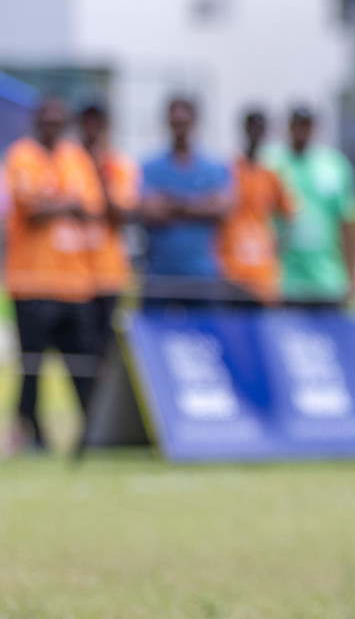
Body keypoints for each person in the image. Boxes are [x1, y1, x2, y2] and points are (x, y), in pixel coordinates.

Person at [3, 96, 103, 452]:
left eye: (57, 120)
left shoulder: (75, 158)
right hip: (31, 281)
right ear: (36, 121)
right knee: (32, 365)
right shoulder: (22, 156)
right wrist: (66, 204)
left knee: (84, 364)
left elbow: (92, 208)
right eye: (46, 119)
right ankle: (32, 435)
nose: (52, 126)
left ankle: (95, 435)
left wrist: (54, 203)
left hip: (75, 282)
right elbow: (32, 210)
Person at [139, 96, 233, 311]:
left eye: (184, 122)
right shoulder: (150, 166)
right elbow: (150, 211)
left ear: (195, 122)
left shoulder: (214, 167)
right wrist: (200, 203)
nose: (180, 128)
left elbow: (221, 210)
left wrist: (172, 203)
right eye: (175, 122)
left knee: (206, 338)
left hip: (202, 273)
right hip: (160, 273)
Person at [263, 105, 355, 310]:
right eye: (297, 125)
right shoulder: (271, 163)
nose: (301, 130)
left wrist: (353, 277)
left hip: (326, 279)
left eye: (306, 125)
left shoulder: (333, 164)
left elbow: (347, 222)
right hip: (284, 280)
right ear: (288, 127)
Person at [77, 98, 140, 355]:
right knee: (79, 351)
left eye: (98, 120)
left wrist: (100, 175)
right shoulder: (67, 159)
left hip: (108, 273)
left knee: (105, 349)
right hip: (73, 275)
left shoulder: (119, 164)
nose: (93, 126)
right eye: (88, 119)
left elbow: (123, 215)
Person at [218, 109, 292, 306]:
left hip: (263, 271)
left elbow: (288, 214)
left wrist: (277, 248)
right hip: (233, 269)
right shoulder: (228, 170)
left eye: (259, 128)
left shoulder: (271, 174)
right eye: (252, 127)